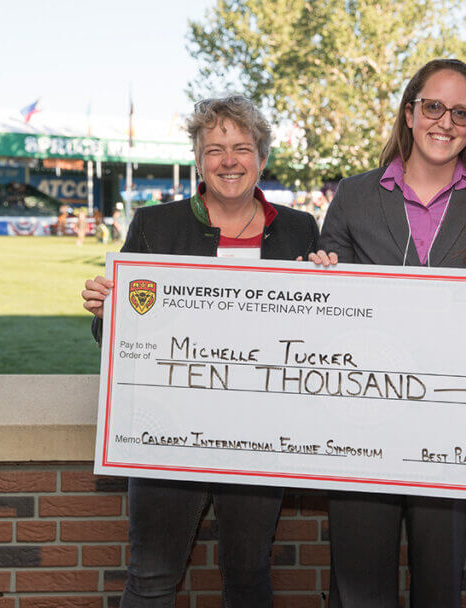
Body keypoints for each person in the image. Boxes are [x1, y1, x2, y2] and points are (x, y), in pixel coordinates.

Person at [80, 95, 319, 607]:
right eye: (214, 149)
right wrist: (107, 315)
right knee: (151, 577)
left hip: (260, 434)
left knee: (249, 575)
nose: (228, 160)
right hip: (166, 433)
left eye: (241, 147)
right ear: (198, 159)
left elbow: (318, 336)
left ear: (262, 157)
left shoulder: (299, 230)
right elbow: (122, 344)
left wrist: (330, 285)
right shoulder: (154, 225)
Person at [308, 58, 466, 607]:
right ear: (409, 112)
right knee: (359, 591)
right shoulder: (355, 195)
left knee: (439, 587)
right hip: (361, 424)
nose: (445, 122)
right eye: (433, 107)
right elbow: (326, 316)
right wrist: (321, 283)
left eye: (461, 113)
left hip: (452, 429)